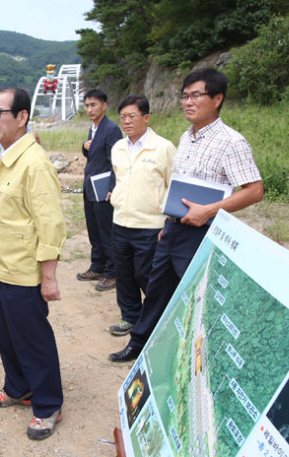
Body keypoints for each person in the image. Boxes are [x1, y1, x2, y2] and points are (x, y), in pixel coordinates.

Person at [110, 68, 263, 362]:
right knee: (156, 290)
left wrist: (208, 210)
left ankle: (207, 357)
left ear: (217, 99)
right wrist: (167, 223)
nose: (188, 102)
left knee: (199, 295)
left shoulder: (231, 141)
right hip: (174, 229)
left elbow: (254, 190)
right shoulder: (187, 136)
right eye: (184, 96)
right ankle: (140, 345)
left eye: (196, 96)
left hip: (202, 231)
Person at [0, 87, 66, 440]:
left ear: (22, 117)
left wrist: (49, 277)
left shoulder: (35, 163)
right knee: (9, 336)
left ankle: (48, 405)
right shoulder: (8, 157)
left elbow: (50, 225)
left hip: (24, 273)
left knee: (33, 339)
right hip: (1, 267)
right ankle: (18, 388)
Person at [108, 95, 176, 337]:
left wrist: (168, 223)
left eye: (132, 116)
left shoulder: (164, 148)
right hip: (120, 222)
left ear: (146, 118)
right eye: (123, 117)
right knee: (124, 275)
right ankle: (129, 317)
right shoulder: (118, 147)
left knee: (147, 276)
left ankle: (157, 320)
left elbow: (172, 187)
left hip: (150, 225)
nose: (126, 121)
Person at [77, 89, 122, 292]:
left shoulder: (111, 129)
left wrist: (112, 188)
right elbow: (94, 155)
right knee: (94, 230)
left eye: (93, 104)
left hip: (104, 188)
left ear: (104, 105)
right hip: (90, 187)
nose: (89, 109)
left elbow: (116, 162)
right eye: (86, 105)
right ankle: (98, 266)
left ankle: (112, 272)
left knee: (106, 232)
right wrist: (85, 148)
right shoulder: (93, 128)